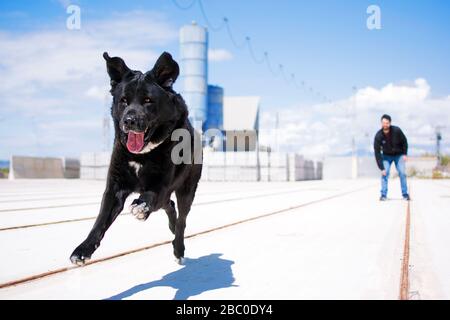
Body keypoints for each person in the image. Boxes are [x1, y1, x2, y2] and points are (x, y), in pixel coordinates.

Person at [373, 114, 410, 201]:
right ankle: (383, 195)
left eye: (387, 123)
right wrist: (381, 168)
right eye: (383, 123)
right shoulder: (378, 136)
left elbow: (404, 142)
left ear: (390, 123)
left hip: (399, 155)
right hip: (386, 156)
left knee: (402, 173)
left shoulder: (397, 130)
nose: (385, 125)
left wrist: (405, 154)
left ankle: (405, 194)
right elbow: (377, 153)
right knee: (384, 173)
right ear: (381, 123)